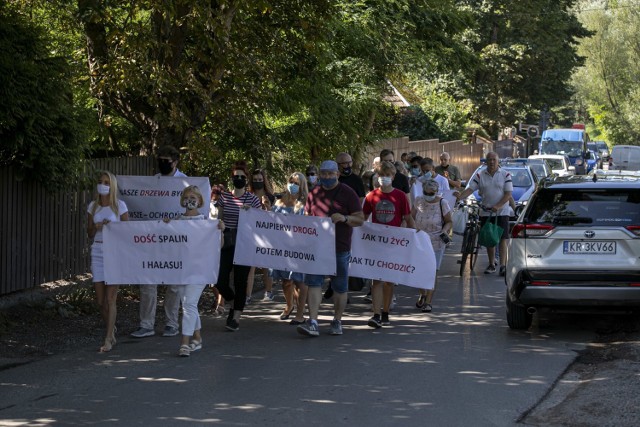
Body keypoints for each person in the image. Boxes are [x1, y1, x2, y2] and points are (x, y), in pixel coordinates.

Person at [297, 160, 364, 337]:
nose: (326, 177)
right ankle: (312, 322)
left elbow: (360, 219)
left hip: (340, 248)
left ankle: (337, 320)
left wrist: (344, 218)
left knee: (340, 287)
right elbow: (306, 217)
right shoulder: (314, 193)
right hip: (317, 248)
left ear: (337, 174)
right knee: (314, 284)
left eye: (330, 173)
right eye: (323, 173)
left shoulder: (348, 193)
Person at [131, 145, 184, 338]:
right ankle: (146, 324)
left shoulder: (185, 183)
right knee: (148, 281)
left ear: (175, 162)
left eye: (166, 161)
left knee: (174, 284)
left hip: (175, 240)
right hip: (153, 240)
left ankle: (171, 323)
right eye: (160, 160)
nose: (162, 164)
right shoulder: (153, 182)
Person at [165, 185, 225, 357]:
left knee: (189, 304)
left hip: (199, 270)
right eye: (187, 196)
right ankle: (197, 338)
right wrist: (165, 225)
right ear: (182, 200)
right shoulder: (176, 221)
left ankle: (185, 342)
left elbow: (218, 246)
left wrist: (220, 231)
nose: (190, 200)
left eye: (194, 197)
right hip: (182, 270)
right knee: (188, 304)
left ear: (200, 201)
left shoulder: (205, 222)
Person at [362, 161, 415, 328]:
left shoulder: (400, 196)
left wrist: (416, 236)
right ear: (377, 177)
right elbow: (363, 218)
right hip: (376, 243)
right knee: (376, 280)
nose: (384, 178)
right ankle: (376, 314)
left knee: (389, 281)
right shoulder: (371, 196)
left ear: (393, 177)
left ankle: (385, 311)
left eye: (387, 175)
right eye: (381, 175)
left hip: (394, 243)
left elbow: (408, 218)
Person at [216, 161, 262, 331]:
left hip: (245, 242)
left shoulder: (252, 199)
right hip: (226, 241)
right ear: (232, 178)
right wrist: (219, 225)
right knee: (219, 280)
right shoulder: (224, 197)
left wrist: (252, 213)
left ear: (247, 178)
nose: (240, 179)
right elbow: (218, 218)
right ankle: (233, 301)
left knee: (240, 281)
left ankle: (235, 317)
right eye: (237, 176)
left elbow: (260, 222)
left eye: (243, 177)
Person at [87, 171, 129, 352]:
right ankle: (111, 328)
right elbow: (88, 232)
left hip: (115, 253)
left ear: (112, 186)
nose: (102, 185)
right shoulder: (93, 206)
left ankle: (109, 338)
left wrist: (114, 227)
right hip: (97, 250)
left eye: (106, 182)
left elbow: (128, 232)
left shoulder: (120, 206)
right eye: (100, 182)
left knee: (111, 299)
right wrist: (95, 227)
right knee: (101, 301)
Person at [455, 152, 513, 276]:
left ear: (498, 161)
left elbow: (508, 194)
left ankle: (503, 265)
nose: (491, 162)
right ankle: (492, 264)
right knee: (489, 239)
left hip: (501, 211)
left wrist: (497, 206)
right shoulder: (480, 175)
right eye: (489, 159)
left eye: (494, 159)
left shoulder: (505, 174)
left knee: (503, 239)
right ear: (485, 161)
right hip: (486, 211)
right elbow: (470, 189)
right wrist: (459, 197)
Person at [324, 152, 366, 300]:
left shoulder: (356, 180)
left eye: (349, 162)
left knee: (344, 258)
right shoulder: (331, 180)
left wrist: (352, 215)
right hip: (329, 226)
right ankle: (332, 285)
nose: (348, 166)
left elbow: (361, 199)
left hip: (349, 222)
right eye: (344, 163)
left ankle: (342, 290)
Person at [270, 172, 309, 325]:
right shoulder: (279, 202)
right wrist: (268, 208)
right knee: (286, 281)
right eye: (291, 181)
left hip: (299, 248)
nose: (293, 185)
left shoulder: (305, 203)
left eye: (297, 183)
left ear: (302, 186)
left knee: (299, 281)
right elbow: (270, 222)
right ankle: (289, 305)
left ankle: (300, 312)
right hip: (282, 247)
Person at [412, 179, 452, 313]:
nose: (429, 195)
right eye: (426, 192)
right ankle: (423, 293)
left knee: (432, 271)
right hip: (419, 241)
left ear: (436, 192)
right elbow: (410, 217)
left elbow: (449, 221)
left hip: (435, 242)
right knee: (418, 270)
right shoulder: (418, 200)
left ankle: (428, 301)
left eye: (432, 193)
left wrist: (445, 230)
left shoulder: (442, 203)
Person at [247, 169, 275, 302]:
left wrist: (267, 207)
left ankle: (268, 292)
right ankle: (247, 296)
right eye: (255, 180)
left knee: (266, 265)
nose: (258, 182)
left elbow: (274, 218)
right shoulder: (248, 196)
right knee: (250, 266)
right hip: (251, 234)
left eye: (260, 180)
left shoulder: (270, 196)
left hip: (267, 235)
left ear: (264, 180)